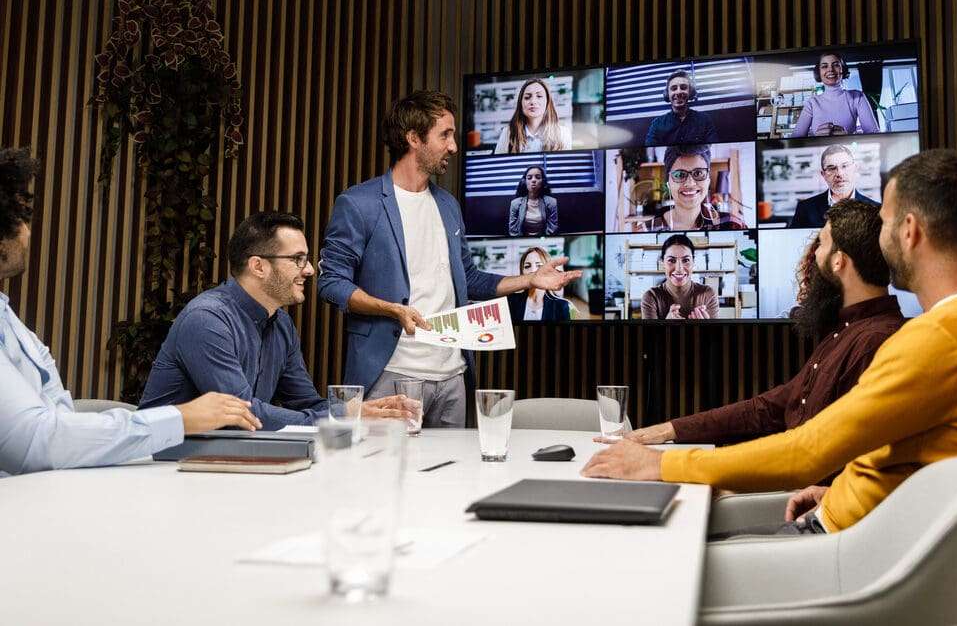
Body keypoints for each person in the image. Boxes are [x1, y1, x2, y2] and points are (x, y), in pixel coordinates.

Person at [582, 150, 957, 538]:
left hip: (844, 550)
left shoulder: (934, 339)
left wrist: (659, 465)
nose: (880, 237)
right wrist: (841, 488)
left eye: (885, 222)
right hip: (856, 525)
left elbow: (806, 452)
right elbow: (923, 457)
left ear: (909, 231)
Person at [319, 91, 580, 428]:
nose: (454, 146)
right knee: (383, 477)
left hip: (454, 377)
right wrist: (391, 309)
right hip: (391, 375)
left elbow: (469, 279)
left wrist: (529, 280)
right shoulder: (359, 204)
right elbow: (331, 283)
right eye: (445, 135)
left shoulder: (448, 205)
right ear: (413, 138)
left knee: (452, 477)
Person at [0, 148, 261, 477]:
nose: (26, 232)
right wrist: (181, 418)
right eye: (20, 218)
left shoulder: (12, 323)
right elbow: (36, 442)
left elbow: (61, 423)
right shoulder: (206, 317)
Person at [617, 200, 903, 455]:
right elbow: (769, 407)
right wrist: (671, 430)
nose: (813, 256)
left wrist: (674, 464)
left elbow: (811, 451)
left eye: (821, 244)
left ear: (838, 261)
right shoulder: (843, 332)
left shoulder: (874, 343)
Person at [139, 212, 412, 431]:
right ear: (258, 266)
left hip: (228, 460)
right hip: (164, 467)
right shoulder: (207, 320)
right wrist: (342, 416)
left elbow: (306, 402)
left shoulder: (281, 323)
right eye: (297, 259)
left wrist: (359, 411)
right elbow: (243, 413)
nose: (308, 270)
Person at [647, 144, 746, 231]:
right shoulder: (646, 230)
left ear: (708, 180)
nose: (690, 183)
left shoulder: (733, 225)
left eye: (698, 173)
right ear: (668, 182)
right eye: (679, 175)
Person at [790, 52, 880, 138]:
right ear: (819, 73)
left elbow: (874, 135)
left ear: (843, 70)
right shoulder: (812, 103)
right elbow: (795, 141)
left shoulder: (857, 97)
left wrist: (848, 137)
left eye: (836, 65)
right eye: (824, 66)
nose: (830, 69)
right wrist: (816, 139)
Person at [788, 143, 878, 229]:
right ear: (823, 175)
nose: (839, 173)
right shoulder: (805, 209)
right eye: (831, 168)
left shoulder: (875, 210)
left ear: (855, 168)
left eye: (845, 166)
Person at [640, 235, 719, 320]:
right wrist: (667, 326)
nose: (679, 269)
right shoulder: (651, 297)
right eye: (671, 260)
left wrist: (705, 329)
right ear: (663, 263)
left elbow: (715, 333)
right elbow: (648, 333)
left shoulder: (708, 294)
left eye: (686, 260)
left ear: (693, 262)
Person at [493, 78, 571, 154]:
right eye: (527, 97)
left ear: (547, 102)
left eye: (539, 96)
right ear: (521, 103)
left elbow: (566, 166)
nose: (533, 101)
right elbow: (497, 165)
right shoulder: (507, 133)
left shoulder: (563, 134)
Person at [644, 70, 719, 146]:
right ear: (667, 94)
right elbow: (649, 147)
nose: (678, 92)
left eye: (683, 87)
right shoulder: (657, 123)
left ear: (690, 92)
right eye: (674, 88)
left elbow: (712, 145)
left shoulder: (705, 120)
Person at [507, 248, 572, 322]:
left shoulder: (561, 306)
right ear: (522, 272)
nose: (533, 271)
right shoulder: (511, 301)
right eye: (527, 266)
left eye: (539, 266)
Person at [508, 165, 559, 236]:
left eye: (538, 177)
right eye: (529, 178)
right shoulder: (515, 203)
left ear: (542, 181)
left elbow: (552, 229)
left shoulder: (551, 202)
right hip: (522, 241)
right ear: (525, 182)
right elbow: (513, 230)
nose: (533, 180)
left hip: (544, 241)